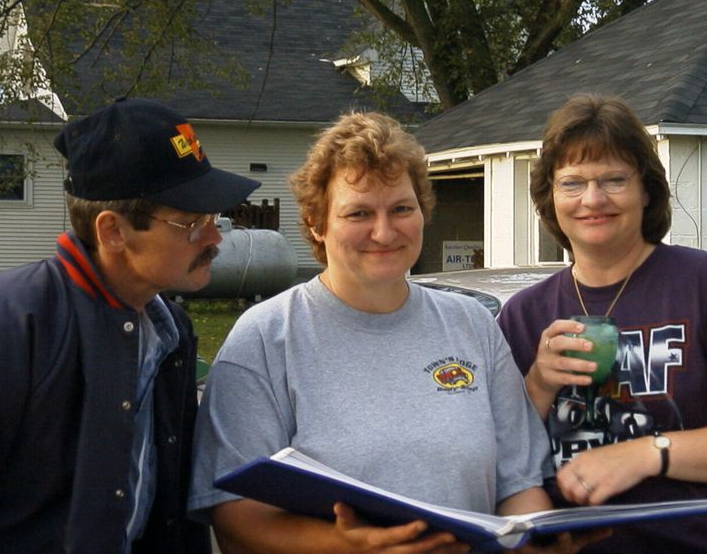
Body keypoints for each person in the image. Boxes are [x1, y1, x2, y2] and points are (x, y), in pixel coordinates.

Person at [188, 112, 603, 554]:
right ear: (315, 222)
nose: (384, 232)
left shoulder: (471, 325)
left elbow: (517, 483)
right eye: (359, 213)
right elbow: (235, 516)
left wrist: (529, 542)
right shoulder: (266, 338)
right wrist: (353, 547)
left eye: (402, 209)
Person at [497, 94, 707, 552]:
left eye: (614, 179)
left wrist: (647, 454)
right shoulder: (524, 316)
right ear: (550, 197)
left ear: (646, 190)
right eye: (572, 183)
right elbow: (498, 457)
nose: (592, 199)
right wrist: (540, 382)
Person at [0, 97, 260, 553]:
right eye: (191, 222)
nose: (215, 238)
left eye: (213, 219)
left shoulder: (170, 331)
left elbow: (168, 509)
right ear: (112, 231)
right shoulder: (1, 327)